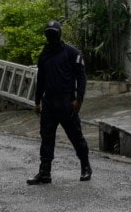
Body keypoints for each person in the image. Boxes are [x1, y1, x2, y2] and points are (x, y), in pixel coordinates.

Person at [27, 20, 91, 184]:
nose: (51, 37)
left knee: (75, 136)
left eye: (54, 33)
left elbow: (81, 77)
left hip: (66, 101)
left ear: (59, 34)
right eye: (49, 34)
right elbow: (40, 79)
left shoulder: (72, 53)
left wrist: (79, 99)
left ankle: (85, 166)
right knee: (46, 137)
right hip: (49, 102)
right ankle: (44, 172)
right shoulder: (45, 54)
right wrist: (37, 101)